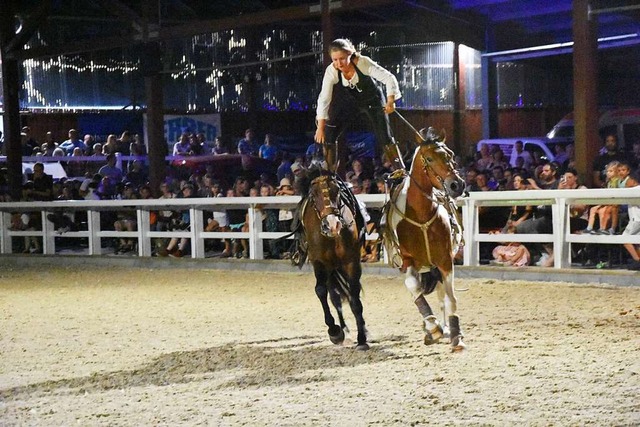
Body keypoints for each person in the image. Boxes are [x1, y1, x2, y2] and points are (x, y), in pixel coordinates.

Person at [314, 38, 404, 173]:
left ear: (350, 54)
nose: (339, 63)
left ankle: (400, 170)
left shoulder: (363, 62)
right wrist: (320, 127)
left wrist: (390, 100)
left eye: (342, 59)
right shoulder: (331, 71)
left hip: (373, 100)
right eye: (335, 60)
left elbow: (388, 77)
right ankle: (329, 174)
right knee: (330, 130)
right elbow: (324, 99)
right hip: (352, 101)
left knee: (384, 135)